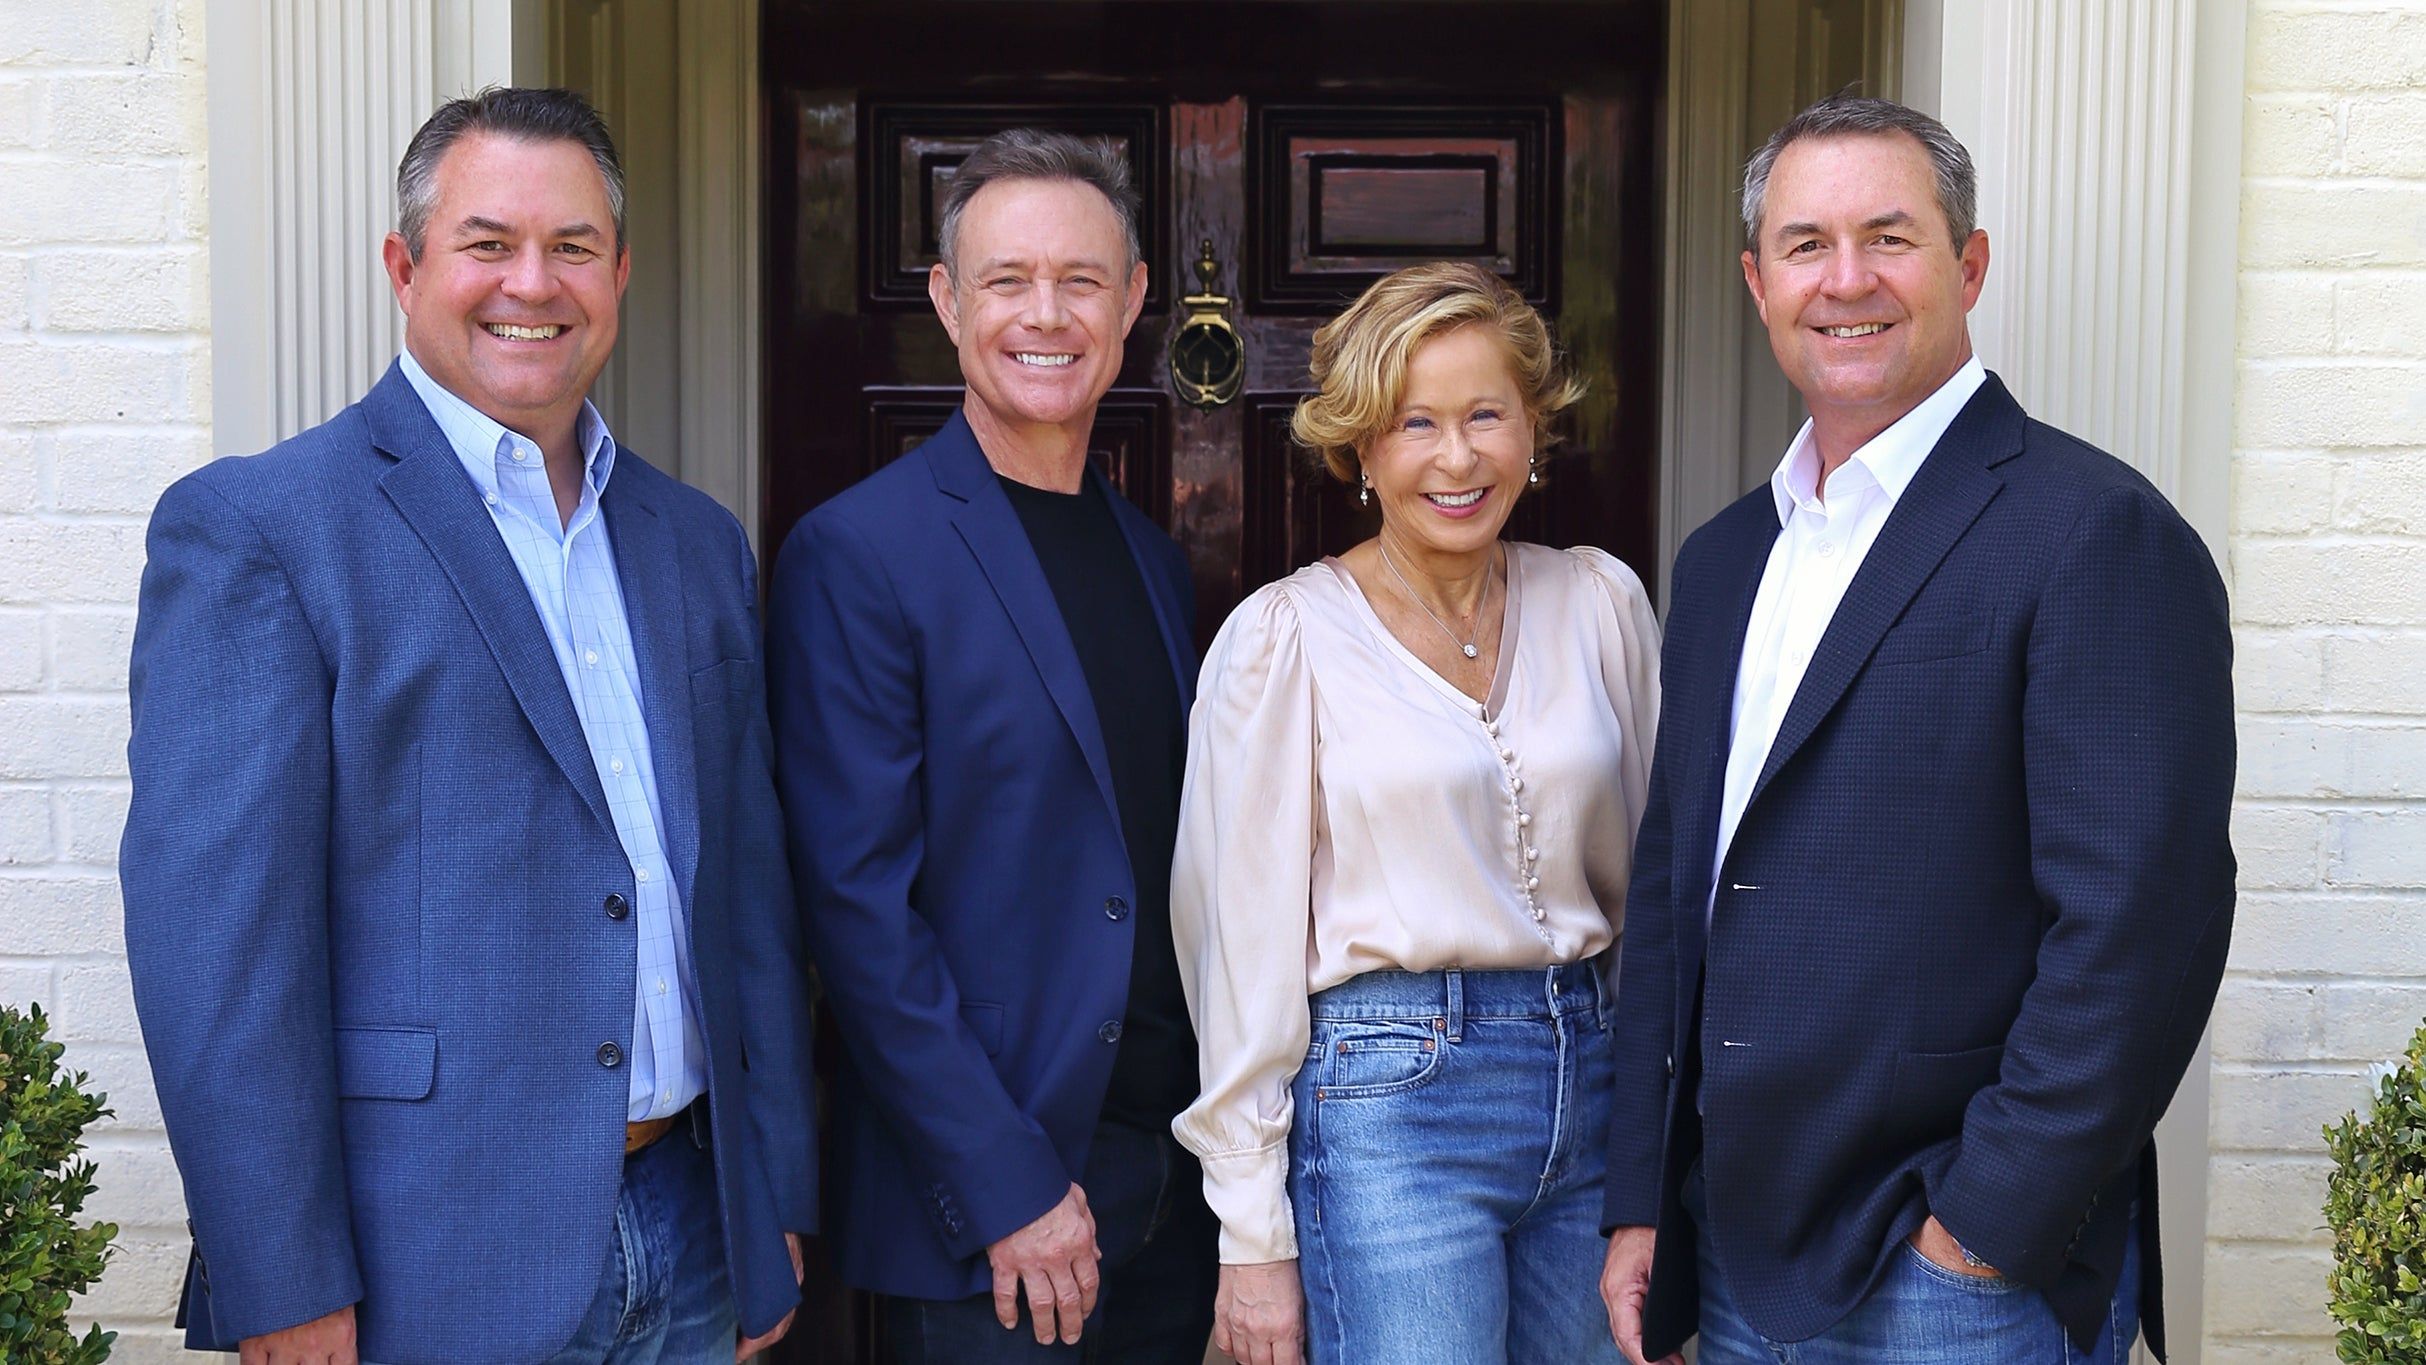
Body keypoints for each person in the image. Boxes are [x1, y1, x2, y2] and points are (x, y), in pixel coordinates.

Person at [121, 88, 815, 1365]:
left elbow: (746, 901)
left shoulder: (694, 541)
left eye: (572, 247)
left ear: (619, 272)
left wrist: (769, 1198)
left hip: (693, 1231)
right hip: (421, 1262)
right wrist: (282, 1281)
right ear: (405, 269)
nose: (531, 284)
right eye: (488, 244)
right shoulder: (264, 532)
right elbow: (219, 955)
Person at [1598, 94, 2234, 1365]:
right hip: (1727, 1250)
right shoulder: (1725, 559)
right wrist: (1638, 1199)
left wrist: (1984, 1226)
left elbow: (2142, 921)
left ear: (1968, 265)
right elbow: (1677, 894)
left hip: (1953, 1278)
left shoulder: (2091, 531)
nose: (1845, 281)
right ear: (1756, 281)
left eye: (1888, 238)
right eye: (1804, 245)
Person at [767, 129, 1216, 1364]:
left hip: (1168, 1187)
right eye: (1007, 279)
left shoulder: (1151, 559)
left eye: (1080, 280)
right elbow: (857, 914)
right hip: (995, 1211)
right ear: (946, 300)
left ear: (1132, 300)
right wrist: (1007, 1184)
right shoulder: (858, 554)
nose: (1045, 315)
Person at [1171, 261, 1662, 1365]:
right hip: (1388, 1107)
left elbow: (1652, 893)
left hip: (1594, 1083)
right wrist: (1251, 1236)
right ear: (1359, 448)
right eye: (1414, 424)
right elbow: (1235, 949)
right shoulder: (1284, 639)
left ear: (1532, 429)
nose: (1456, 457)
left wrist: (1657, 1137)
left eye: (1485, 415)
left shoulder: (1600, 604)